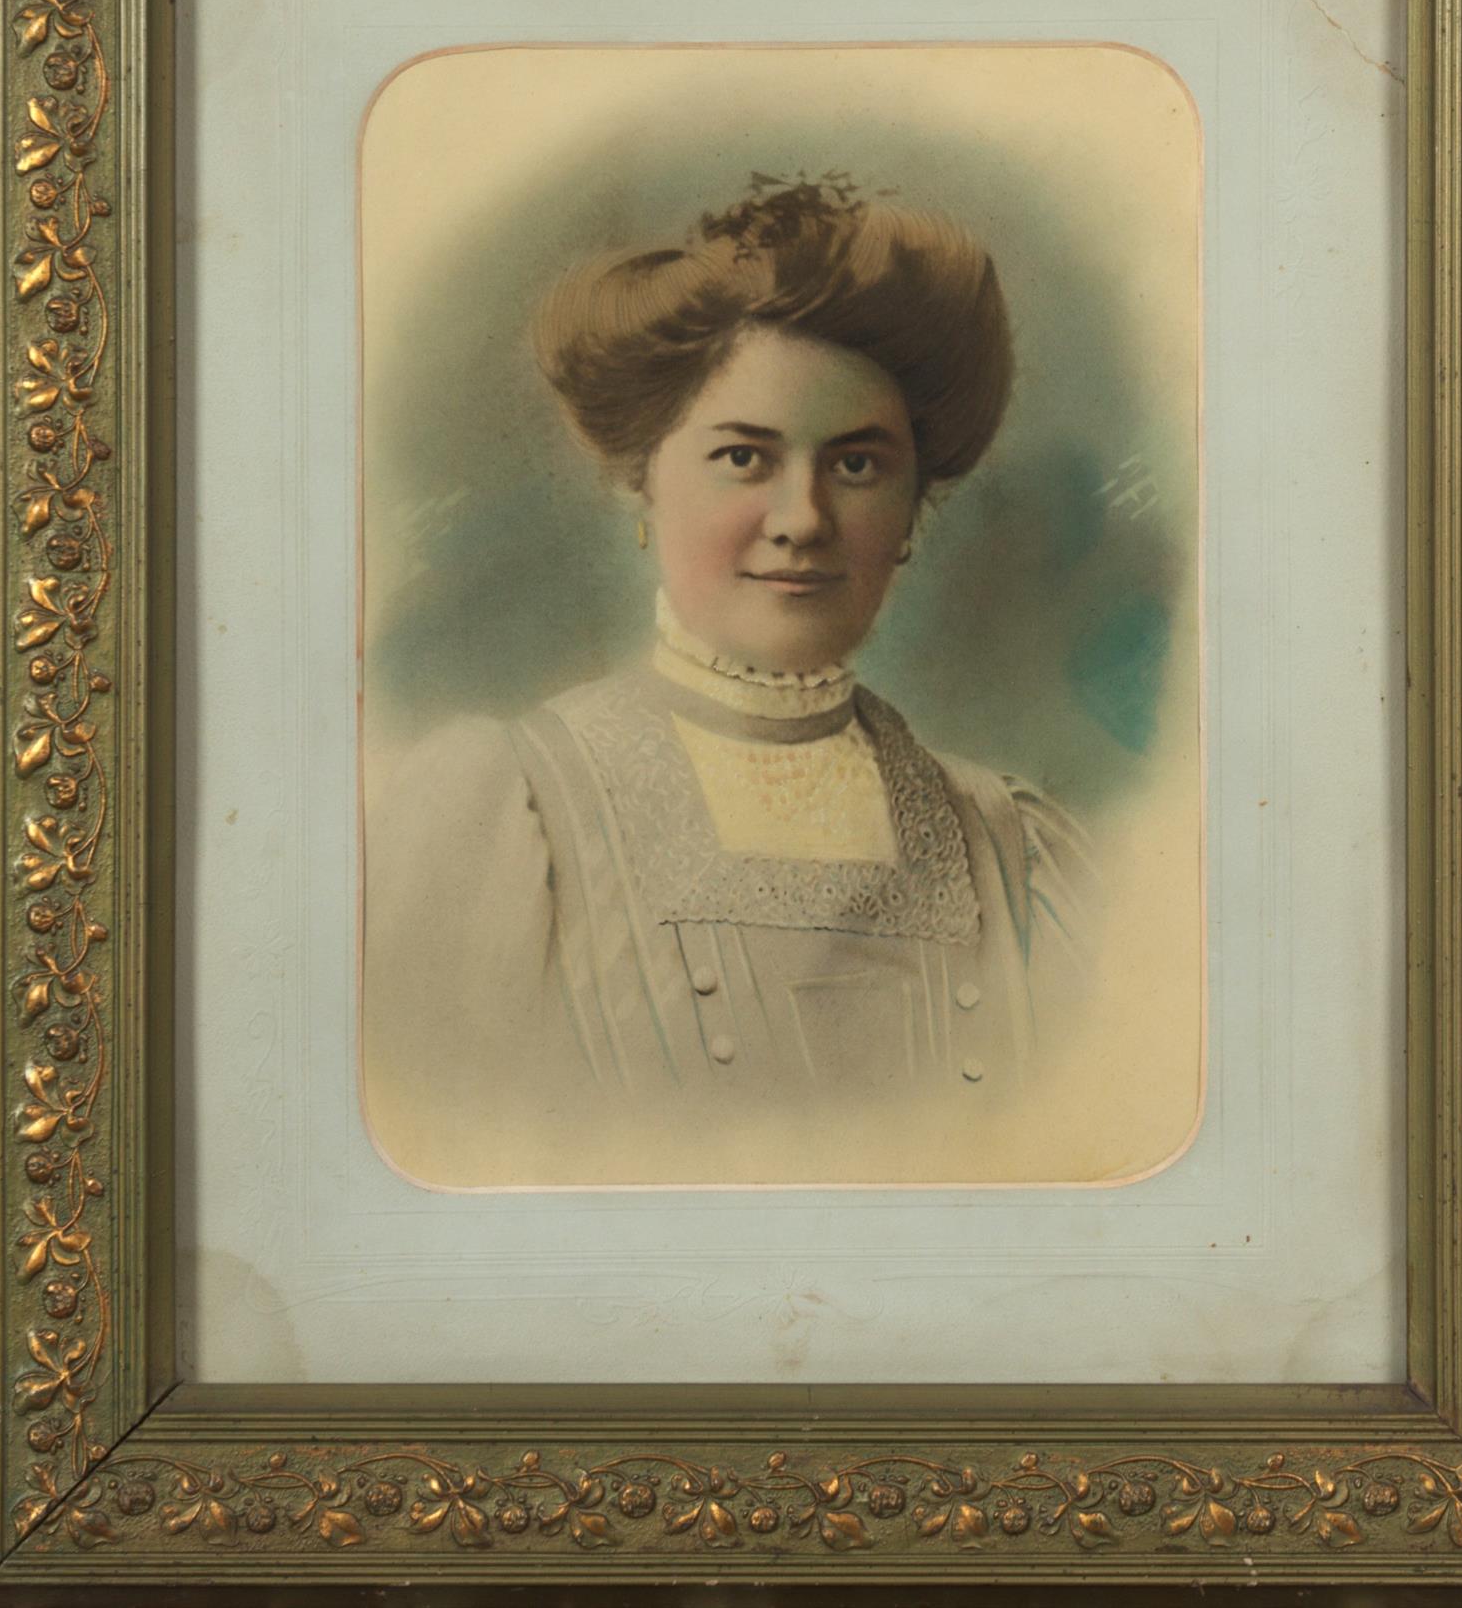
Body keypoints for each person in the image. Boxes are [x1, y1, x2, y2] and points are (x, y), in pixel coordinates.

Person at [362, 176, 1094, 1186]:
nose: (802, 520)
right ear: (644, 484)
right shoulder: (505, 813)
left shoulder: (1009, 845)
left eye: (857, 466)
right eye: (745, 457)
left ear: (912, 511)